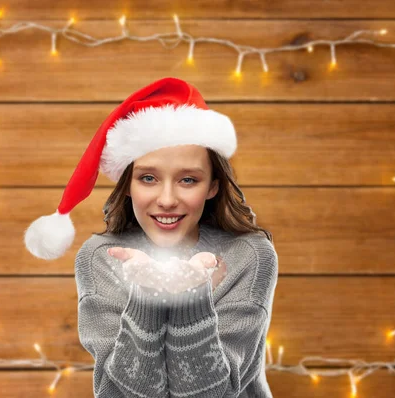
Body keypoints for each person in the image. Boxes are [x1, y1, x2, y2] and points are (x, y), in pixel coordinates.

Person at [23, 77, 278, 397]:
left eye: (188, 179)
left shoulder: (248, 254)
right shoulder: (101, 257)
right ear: (127, 185)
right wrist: (147, 298)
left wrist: (191, 298)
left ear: (213, 186)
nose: (167, 199)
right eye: (148, 178)